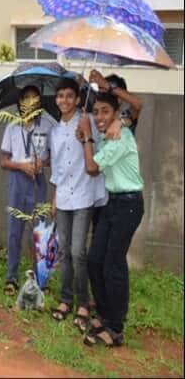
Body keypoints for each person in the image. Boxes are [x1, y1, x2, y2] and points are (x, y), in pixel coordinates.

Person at [80, 92, 144, 348]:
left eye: (105, 111)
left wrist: (86, 136)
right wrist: (93, 134)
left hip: (129, 205)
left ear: (117, 112)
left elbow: (92, 169)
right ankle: (106, 316)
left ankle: (116, 329)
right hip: (113, 202)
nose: (99, 117)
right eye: (96, 112)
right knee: (95, 260)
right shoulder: (110, 134)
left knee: (113, 264)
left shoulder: (120, 137)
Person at [48, 77, 106, 330]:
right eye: (60, 96)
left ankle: (83, 303)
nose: (64, 100)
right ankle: (65, 299)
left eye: (69, 95)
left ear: (78, 99)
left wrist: (86, 133)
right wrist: (54, 199)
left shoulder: (89, 121)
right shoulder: (55, 130)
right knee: (64, 252)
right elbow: (58, 168)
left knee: (78, 252)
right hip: (63, 196)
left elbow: (101, 150)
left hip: (84, 195)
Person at [0, 84, 56, 295]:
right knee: (14, 231)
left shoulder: (48, 126)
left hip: (38, 181)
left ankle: (41, 279)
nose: (30, 102)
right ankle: (12, 278)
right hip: (17, 180)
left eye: (35, 98)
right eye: (26, 98)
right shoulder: (12, 127)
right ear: (20, 103)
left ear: (40, 103)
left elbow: (53, 157)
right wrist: (21, 165)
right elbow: (3, 161)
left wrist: (42, 163)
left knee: (39, 231)